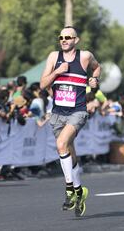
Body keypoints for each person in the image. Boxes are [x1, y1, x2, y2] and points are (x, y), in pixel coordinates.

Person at [40, 26, 100, 217]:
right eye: (61, 37)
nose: (64, 40)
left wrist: (94, 80)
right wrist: (58, 71)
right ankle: (80, 190)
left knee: (61, 144)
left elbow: (97, 68)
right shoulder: (53, 57)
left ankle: (69, 191)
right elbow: (43, 84)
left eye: (68, 37)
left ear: (76, 40)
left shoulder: (85, 57)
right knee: (67, 151)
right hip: (58, 113)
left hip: (78, 111)